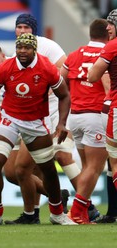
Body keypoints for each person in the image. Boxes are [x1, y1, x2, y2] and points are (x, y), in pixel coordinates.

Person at [0, 33, 76, 226]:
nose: (22, 51)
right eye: (19, 48)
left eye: (26, 48)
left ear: (34, 49)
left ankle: (57, 213)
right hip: (9, 119)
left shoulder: (47, 68)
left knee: (48, 170)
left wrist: (62, 123)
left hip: (36, 122)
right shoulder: (6, 67)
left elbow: (64, 95)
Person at [0, 13, 87, 224]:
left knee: (28, 167)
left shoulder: (47, 45)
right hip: (26, 113)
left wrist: (49, 85)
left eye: (25, 28)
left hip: (49, 111)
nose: (21, 31)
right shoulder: (17, 53)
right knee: (20, 171)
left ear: (33, 31)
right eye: (18, 27)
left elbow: (65, 67)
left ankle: (86, 206)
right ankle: (36, 210)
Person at [60, 19, 110, 224]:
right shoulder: (106, 55)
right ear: (108, 34)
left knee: (87, 166)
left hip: (76, 116)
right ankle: (76, 212)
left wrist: (73, 93)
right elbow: (108, 85)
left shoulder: (75, 54)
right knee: (95, 167)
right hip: (96, 115)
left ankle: (81, 212)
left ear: (90, 34)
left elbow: (59, 79)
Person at [89, 8, 117, 223]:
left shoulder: (112, 46)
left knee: (115, 163)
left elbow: (93, 75)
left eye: (111, 23)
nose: (107, 27)